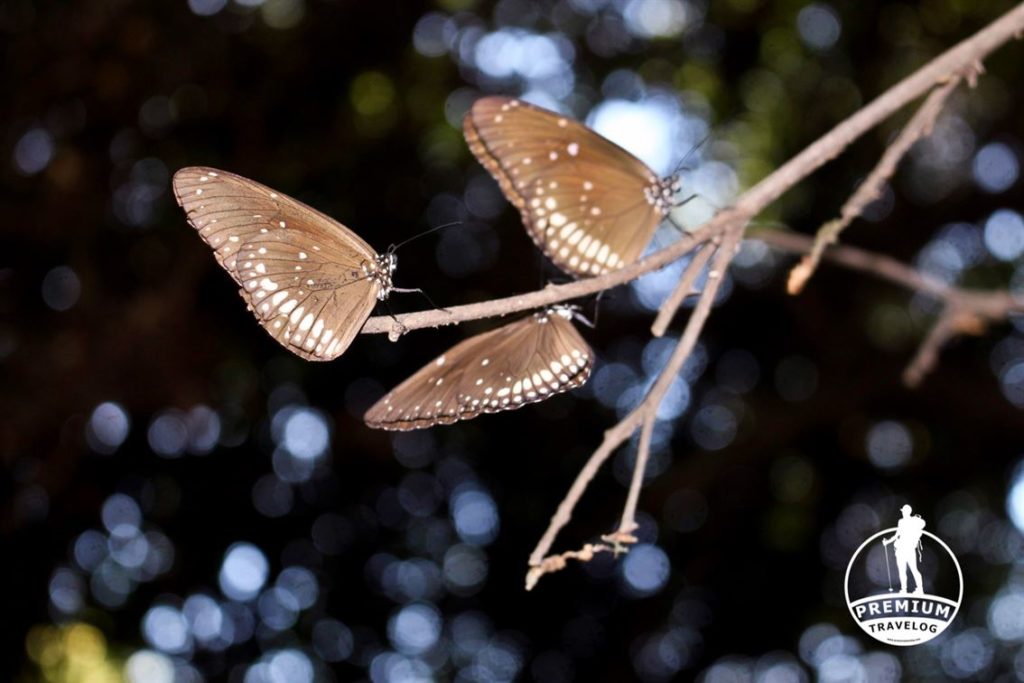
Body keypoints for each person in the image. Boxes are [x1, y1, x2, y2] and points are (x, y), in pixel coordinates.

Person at [883, 504, 926, 594]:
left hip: (909, 548)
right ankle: (904, 589)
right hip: (901, 549)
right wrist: (887, 542)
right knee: (902, 570)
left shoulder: (914, 521)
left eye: (904, 511)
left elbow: (922, 524)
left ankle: (920, 589)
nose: (903, 513)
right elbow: (896, 535)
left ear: (908, 512)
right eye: (903, 511)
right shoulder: (901, 521)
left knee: (914, 569)